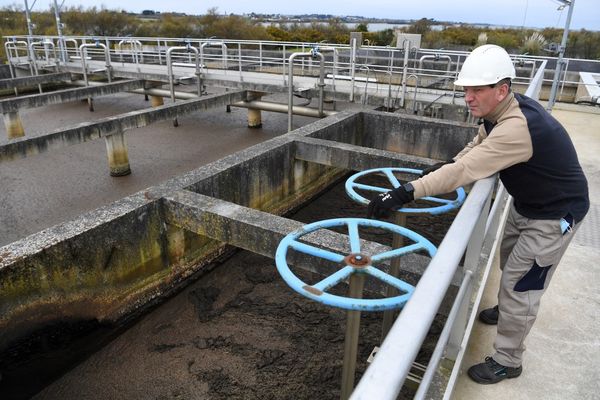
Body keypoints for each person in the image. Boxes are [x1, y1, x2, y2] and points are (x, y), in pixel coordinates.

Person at [367, 44, 589, 384]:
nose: (468, 97)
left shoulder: (517, 128)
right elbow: (475, 148)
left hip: (554, 214)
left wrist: (406, 191)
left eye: (476, 90)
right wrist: (444, 165)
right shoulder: (500, 113)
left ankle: (508, 359)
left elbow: (467, 171)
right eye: (465, 90)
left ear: (501, 89)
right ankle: (507, 310)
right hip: (527, 203)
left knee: (522, 284)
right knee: (508, 261)